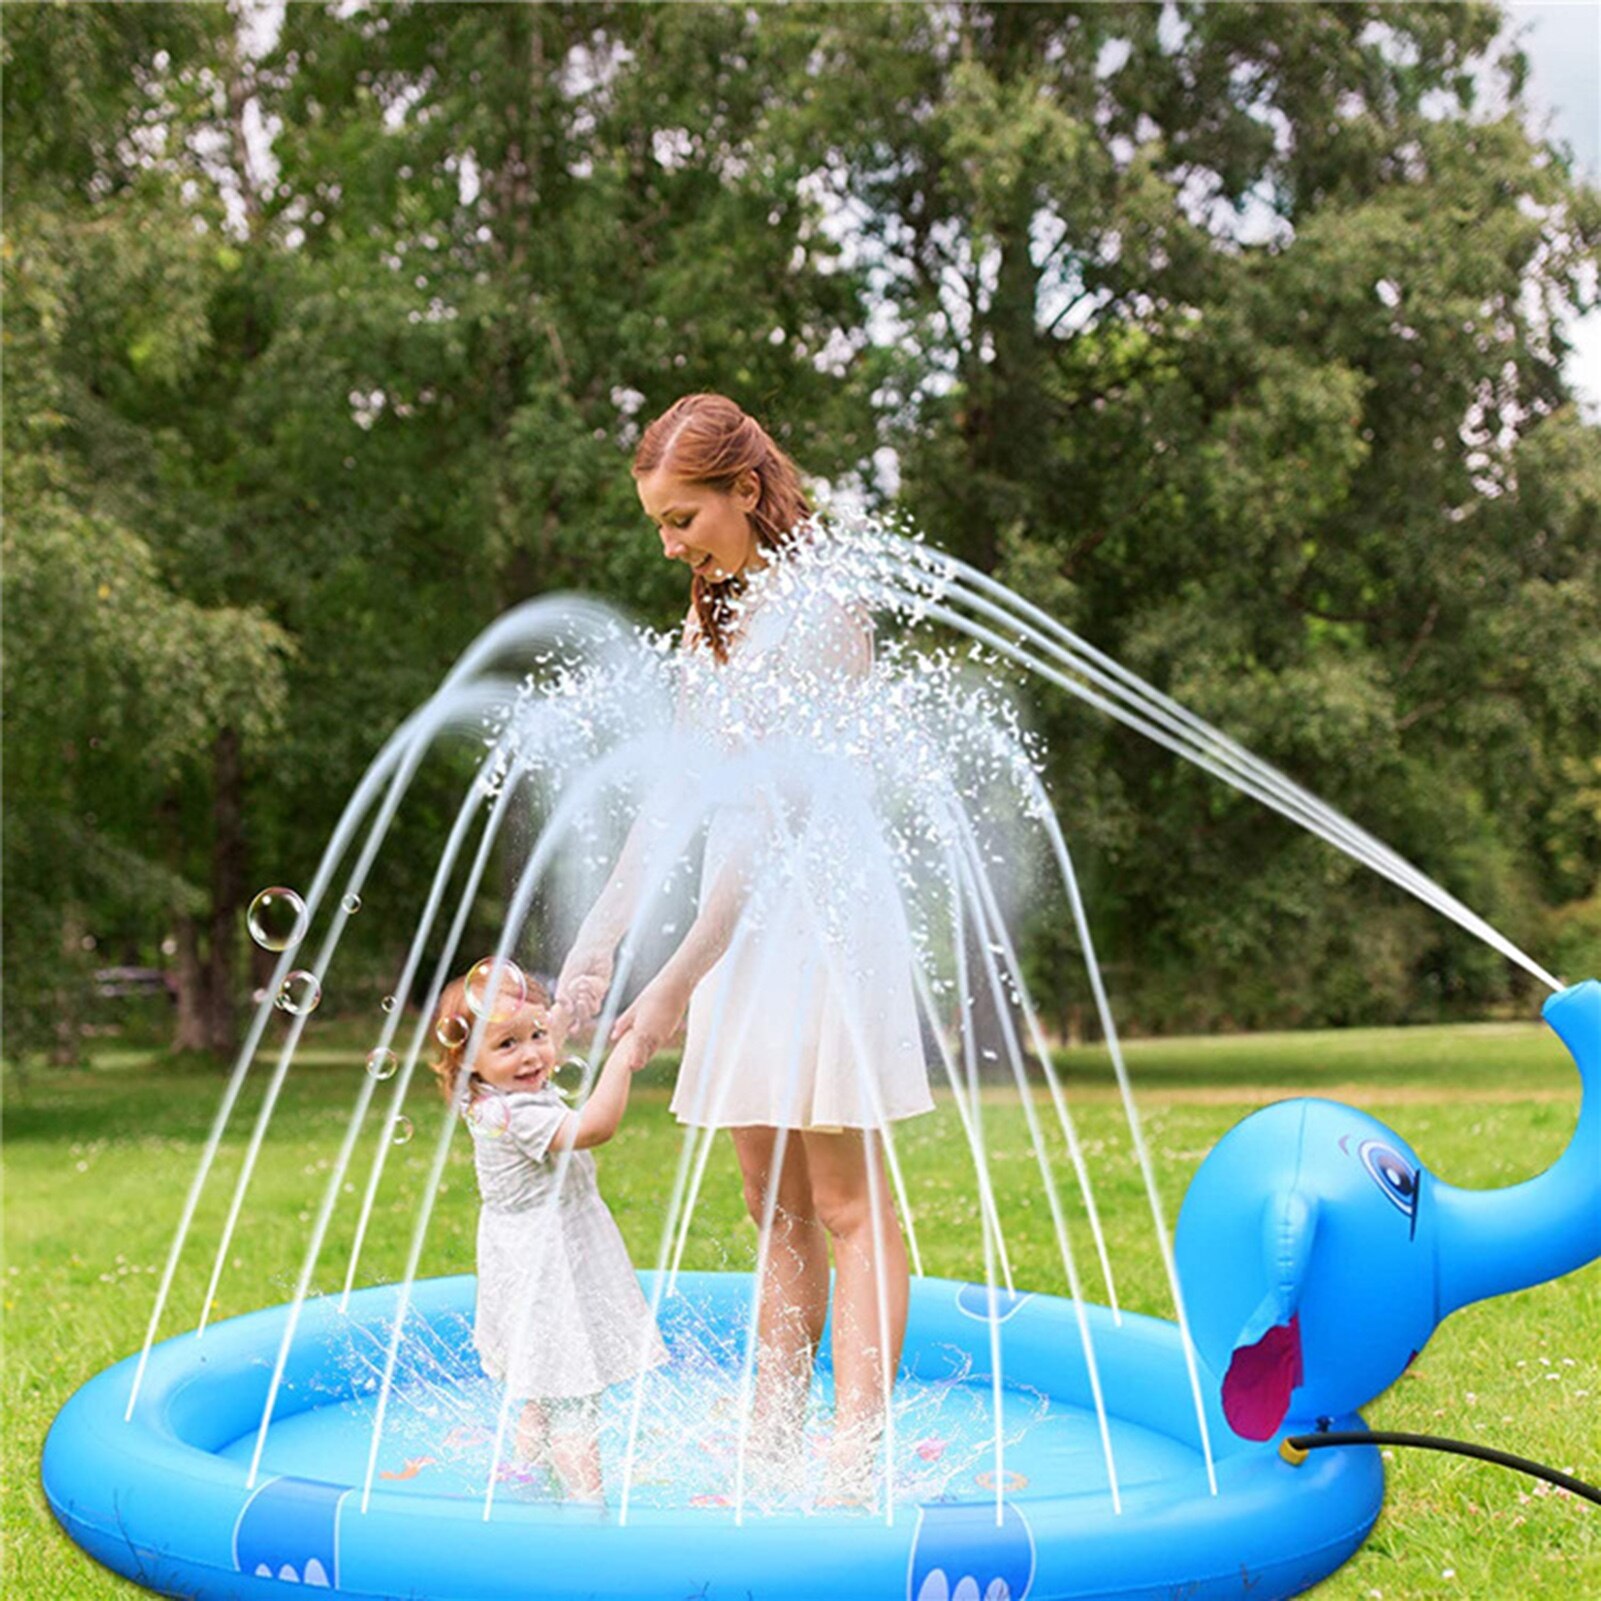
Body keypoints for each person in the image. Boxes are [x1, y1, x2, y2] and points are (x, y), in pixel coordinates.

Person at [556, 393, 933, 1505]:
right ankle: (772, 1436)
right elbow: (679, 792)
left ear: (744, 489)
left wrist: (673, 979)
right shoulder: (709, 611)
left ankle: (851, 1451)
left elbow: (774, 823)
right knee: (769, 1197)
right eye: (660, 524)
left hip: (816, 908)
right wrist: (598, 941)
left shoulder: (820, 608)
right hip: (739, 914)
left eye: (682, 518)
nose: (669, 543)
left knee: (845, 1196)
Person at [430, 963, 667, 1505]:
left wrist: (561, 1015)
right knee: (575, 1395)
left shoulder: (497, 1095)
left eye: (536, 1035)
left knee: (540, 1382)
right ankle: (590, 1514)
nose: (533, 1054)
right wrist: (626, 1056)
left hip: (534, 1257)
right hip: (546, 1266)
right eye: (508, 1044)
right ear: (468, 1062)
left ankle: (525, 1477)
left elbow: (539, 1040)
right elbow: (594, 1128)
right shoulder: (512, 1111)